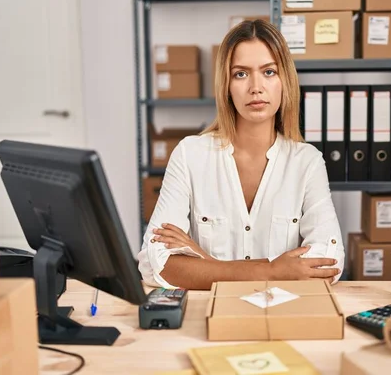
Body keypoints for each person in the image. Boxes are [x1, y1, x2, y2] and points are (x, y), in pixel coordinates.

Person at [137, 19, 345, 290]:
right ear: (226, 85)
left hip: (282, 316)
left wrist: (204, 262)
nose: (255, 87)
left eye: (269, 72)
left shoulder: (307, 162)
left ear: (285, 81)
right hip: (206, 321)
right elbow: (156, 264)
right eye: (241, 74)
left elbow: (328, 264)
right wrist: (273, 270)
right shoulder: (190, 155)